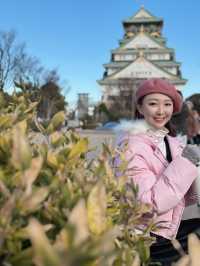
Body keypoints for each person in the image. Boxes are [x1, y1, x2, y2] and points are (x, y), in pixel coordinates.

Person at [116, 78, 200, 265]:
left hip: (167, 229)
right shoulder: (131, 146)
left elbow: (182, 196)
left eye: (167, 104)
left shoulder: (171, 143)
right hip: (145, 238)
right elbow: (148, 203)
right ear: (140, 107)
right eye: (153, 104)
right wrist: (187, 162)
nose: (161, 111)